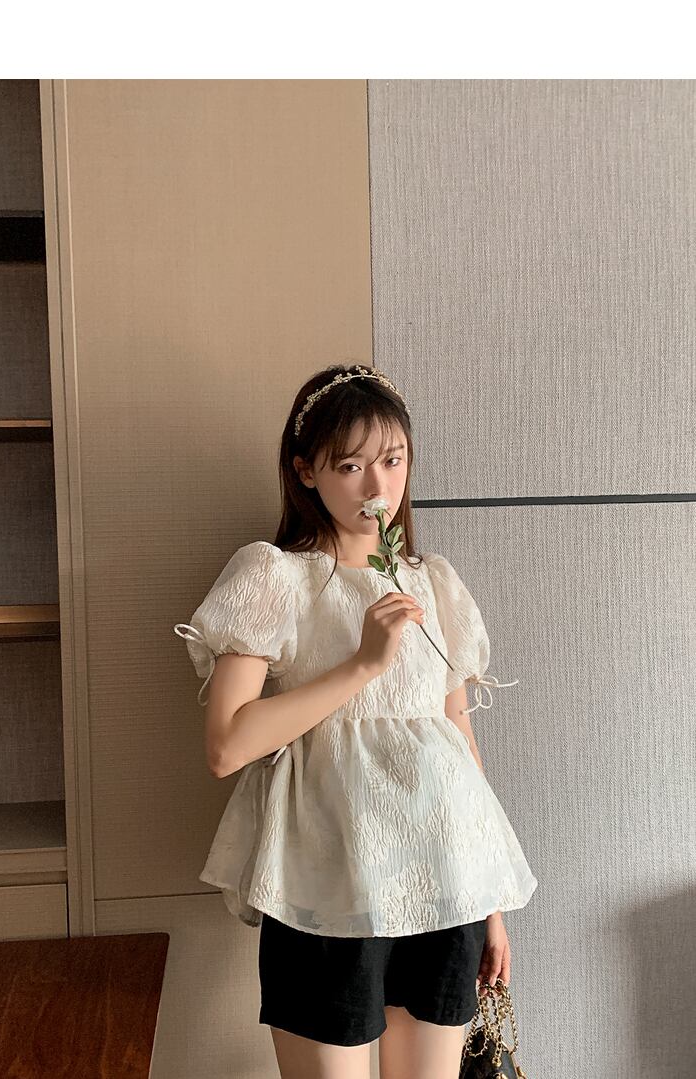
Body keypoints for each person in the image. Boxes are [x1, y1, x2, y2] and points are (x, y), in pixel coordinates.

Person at [173, 362, 538, 1079]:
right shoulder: (275, 577)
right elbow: (226, 745)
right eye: (350, 466)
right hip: (325, 891)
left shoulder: (433, 583)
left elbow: (458, 743)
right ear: (306, 471)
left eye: (393, 461)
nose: (377, 487)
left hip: (448, 884)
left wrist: (490, 903)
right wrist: (364, 664)